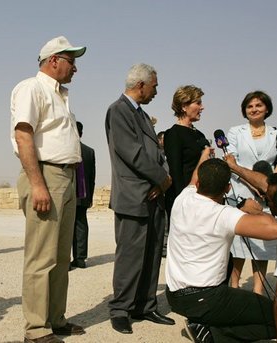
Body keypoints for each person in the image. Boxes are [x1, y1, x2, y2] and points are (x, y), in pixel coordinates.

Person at [10, 36, 86, 343]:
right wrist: (38, 184)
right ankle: (36, 329)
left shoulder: (61, 96)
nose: (75, 69)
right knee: (41, 257)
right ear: (53, 60)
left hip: (65, 178)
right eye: (71, 62)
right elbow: (23, 136)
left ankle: (56, 318)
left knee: (59, 256)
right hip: (46, 175)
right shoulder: (32, 87)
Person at [166, 155, 277, 343]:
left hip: (175, 297)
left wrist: (203, 155)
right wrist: (252, 209)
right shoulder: (224, 215)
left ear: (199, 182)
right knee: (275, 318)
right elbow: (274, 229)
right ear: (228, 188)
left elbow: (195, 175)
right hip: (208, 299)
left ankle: (208, 327)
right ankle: (213, 334)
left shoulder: (182, 198)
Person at [105, 63, 174, 335]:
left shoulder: (143, 116)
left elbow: (158, 154)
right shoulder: (118, 111)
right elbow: (131, 153)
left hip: (153, 195)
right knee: (130, 257)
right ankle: (120, 309)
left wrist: (163, 176)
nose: (156, 91)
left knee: (153, 253)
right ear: (141, 84)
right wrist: (161, 178)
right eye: (155, 86)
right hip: (133, 197)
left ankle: (145, 306)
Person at [226, 90, 277, 295]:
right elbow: (231, 162)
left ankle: (258, 291)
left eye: (258, 105)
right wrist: (251, 183)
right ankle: (234, 286)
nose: (254, 109)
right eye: (250, 106)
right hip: (241, 192)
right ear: (244, 110)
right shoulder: (235, 132)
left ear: (267, 109)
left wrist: (269, 187)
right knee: (239, 243)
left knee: (263, 243)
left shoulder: (276, 133)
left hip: (267, 196)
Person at [163, 85, 207, 224]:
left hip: (202, 199)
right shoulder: (173, 134)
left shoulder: (200, 135)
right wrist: (184, 202)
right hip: (183, 201)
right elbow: (175, 173)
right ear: (184, 106)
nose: (202, 107)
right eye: (198, 103)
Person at [71, 121, 95, 269]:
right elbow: (92, 177)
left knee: (66, 227)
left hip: (69, 195)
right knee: (81, 225)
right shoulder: (89, 151)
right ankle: (80, 258)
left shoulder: (65, 149)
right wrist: (90, 197)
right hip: (84, 195)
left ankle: (65, 260)